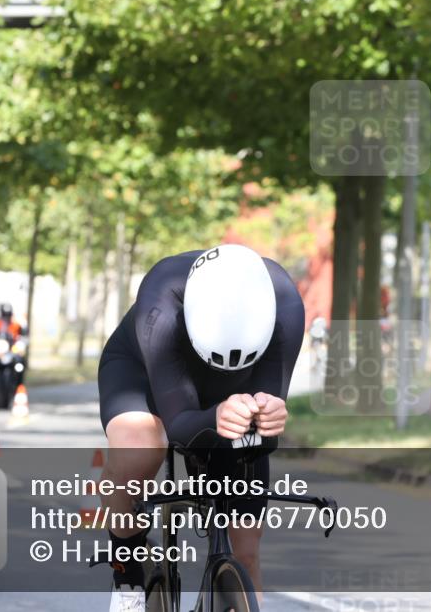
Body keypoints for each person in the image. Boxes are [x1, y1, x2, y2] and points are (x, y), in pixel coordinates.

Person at [97, 244, 304, 612]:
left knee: (246, 551)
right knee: (140, 447)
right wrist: (213, 418)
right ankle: (127, 573)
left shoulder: (285, 304)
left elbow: (263, 440)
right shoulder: (161, 297)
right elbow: (178, 426)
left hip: (238, 388)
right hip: (143, 372)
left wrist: (269, 419)